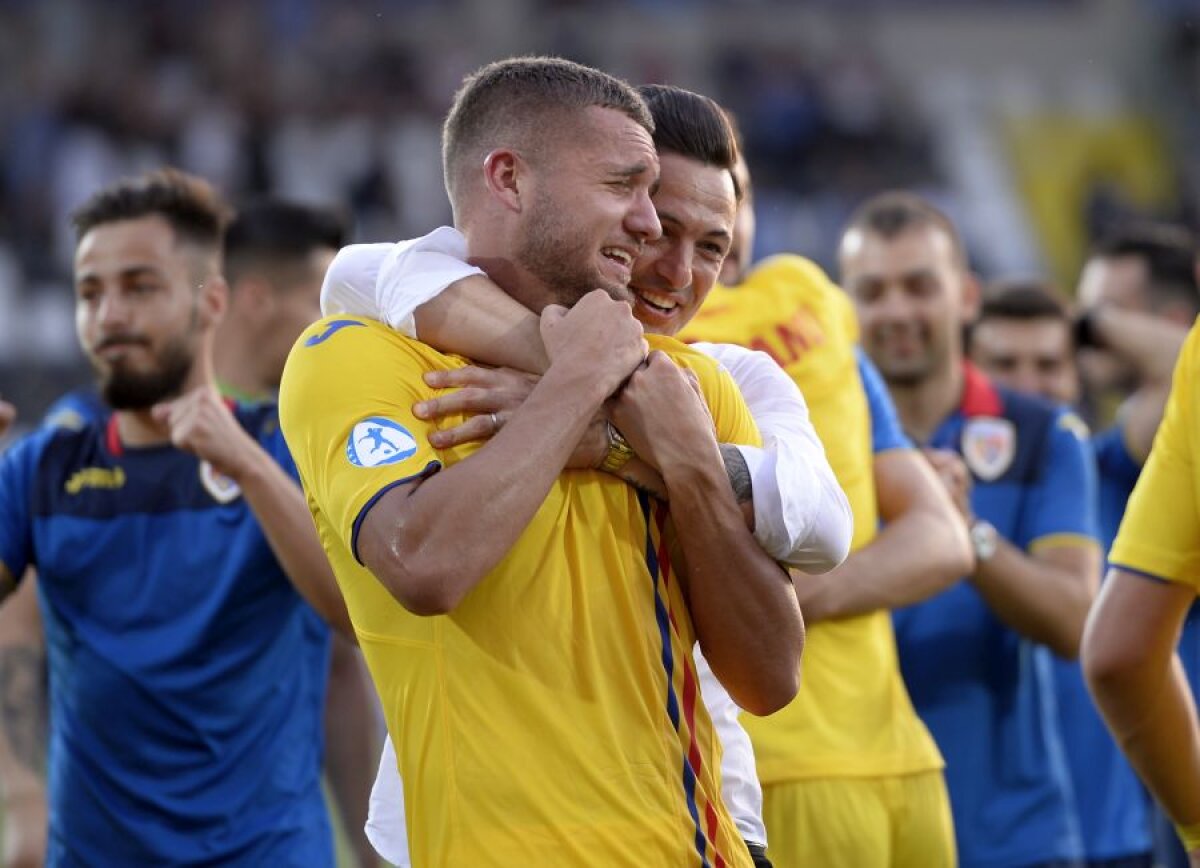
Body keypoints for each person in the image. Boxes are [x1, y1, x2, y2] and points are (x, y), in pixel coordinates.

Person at [279, 57, 804, 867]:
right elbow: (424, 563)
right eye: (624, 187)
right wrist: (580, 377)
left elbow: (770, 678)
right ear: (509, 179)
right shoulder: (352, 358)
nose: (648, 223)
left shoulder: (686, 384)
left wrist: (693, 467)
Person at [0, 199, 383, 867]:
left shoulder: (289, 447)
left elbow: (355, 638)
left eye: (138, 287)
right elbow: (19, 625)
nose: (110, 314)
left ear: (211, 303)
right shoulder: (56, 459)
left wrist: (374, 849)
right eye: (90, 292)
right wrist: (22, 794)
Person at [679, 160, 972, 868]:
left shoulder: (812, 302)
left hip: (900, 756)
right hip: (768, 767)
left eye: (738, 188)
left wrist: (773, 605)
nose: (726, 212)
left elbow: (941, 540)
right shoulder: (623, 336)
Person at [839, 191, 1101, 868]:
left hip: (1013, 838)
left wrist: (963, 531)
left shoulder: (1043, 434)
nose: (895, 310)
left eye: (919, 286)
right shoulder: (814, 437)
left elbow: (1076, 621)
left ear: (966, 297)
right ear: (844, 307)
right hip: (859, 825)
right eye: (873, 291)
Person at [969, 279, 1154, 867]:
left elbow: (1186, 378)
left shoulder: (1109, 467)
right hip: (996, 836)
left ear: (1079, 376)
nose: (1028, 385)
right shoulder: (933, 481)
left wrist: (1092, 322)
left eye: (1049, 364)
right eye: (1005, 364)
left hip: (1110, 833)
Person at [1079, 234, 1200, 868]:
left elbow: (1118, 655)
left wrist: (1088, 321)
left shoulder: (1158, 432)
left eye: (1104, 314)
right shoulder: (1091, 455)